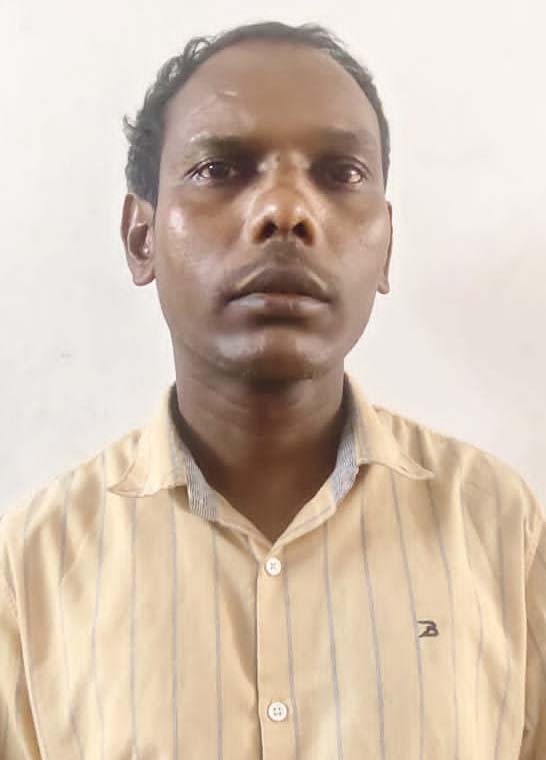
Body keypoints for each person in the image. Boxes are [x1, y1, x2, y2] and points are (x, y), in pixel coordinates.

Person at [0, 19, 544, 760]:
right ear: (141, 238)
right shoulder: (34, 564)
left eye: (339, 174)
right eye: (220, 169)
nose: (285, 211)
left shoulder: (499, 527)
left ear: (386, 246)